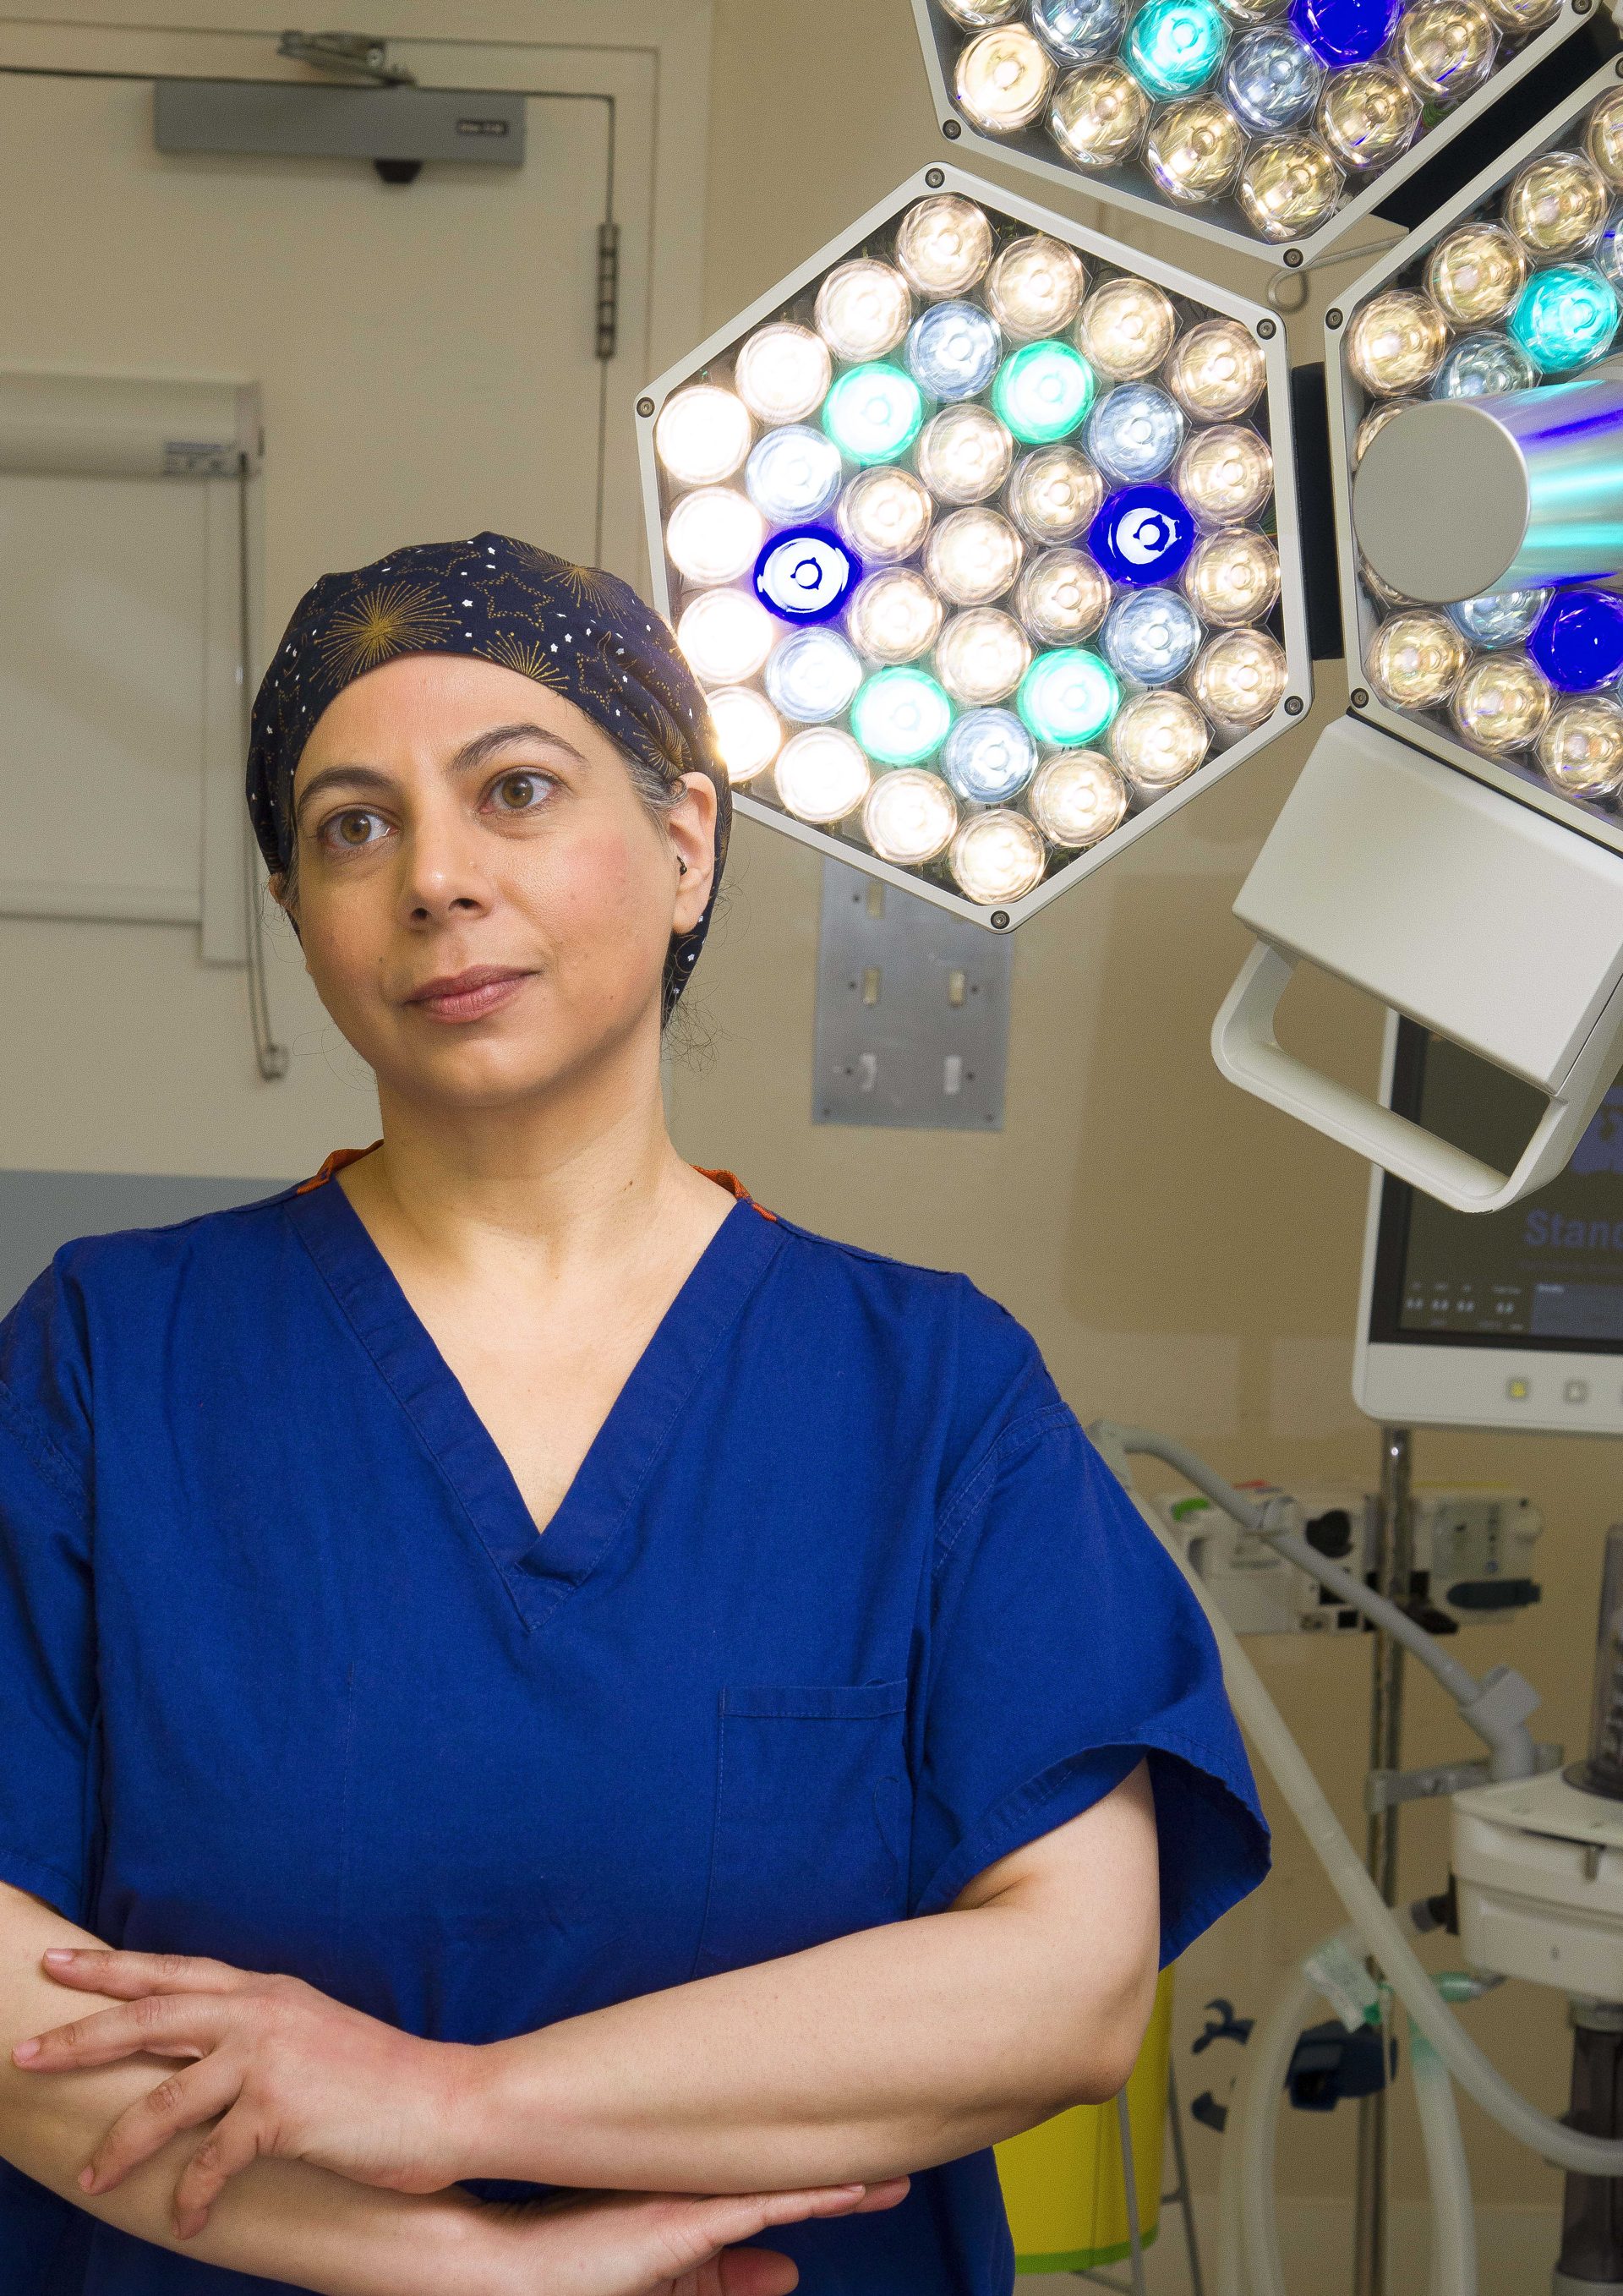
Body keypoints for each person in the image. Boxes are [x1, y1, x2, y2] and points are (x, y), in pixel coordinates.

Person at [0, 533, 1268, 2296]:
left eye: (514, 790)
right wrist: (476, 2266)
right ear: (301, 911)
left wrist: (452, 2102)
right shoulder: (108, 1359)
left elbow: (1068, 1984)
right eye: (351, 825)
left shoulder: (926, 1392)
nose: (435, 876)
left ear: (686, 846)